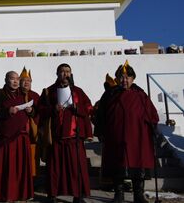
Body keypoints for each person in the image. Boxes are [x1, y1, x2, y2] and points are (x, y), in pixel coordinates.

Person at [94, 61, 159, 203]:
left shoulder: (141, 95)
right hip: (116, 135)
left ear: (132, 78)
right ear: (117, 79)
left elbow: (152, 114)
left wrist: (153, 129)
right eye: (121, 77)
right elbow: (100, 114)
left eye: (127, 77)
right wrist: (101, 131)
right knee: (117, 163)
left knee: (139, 163)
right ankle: (119, 195)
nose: (124, 80)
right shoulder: (110, 95)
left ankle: (138, 195)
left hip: (138, 136)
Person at [39, 63, 93, 203]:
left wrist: (77, 107)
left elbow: (88, 107)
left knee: (77, 168)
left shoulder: (78, 91)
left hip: (74, 136)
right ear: (57, 74)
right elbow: (40, 109)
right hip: (56, 136)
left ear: (71, 73)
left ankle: (78, 195)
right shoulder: (49, 91)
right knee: (54, 168)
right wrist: (52, 109)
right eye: (62, 71)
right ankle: (52, 196)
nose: (65, 74)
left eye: (68, 71)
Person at [0, 71, 34, 201]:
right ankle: (5, 193)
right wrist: (6, 111)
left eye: (16, 79)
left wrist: (31, 111)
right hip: (6, 136)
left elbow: (34, 109)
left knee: (21, 166)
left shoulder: (24, 94)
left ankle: (22, 193)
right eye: (11, 79)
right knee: (6, 166)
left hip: (22, 135)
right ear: (6, 80)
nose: (15, 81)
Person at [20, 67, 41, 177]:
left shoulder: (35, 95)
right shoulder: (16, 94)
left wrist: (32, 111)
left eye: (28, 81)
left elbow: (41, 111)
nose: (26, 83)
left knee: (33, 156)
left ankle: (32, 179)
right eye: (23, 81)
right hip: (19, 131)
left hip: (32, 132)